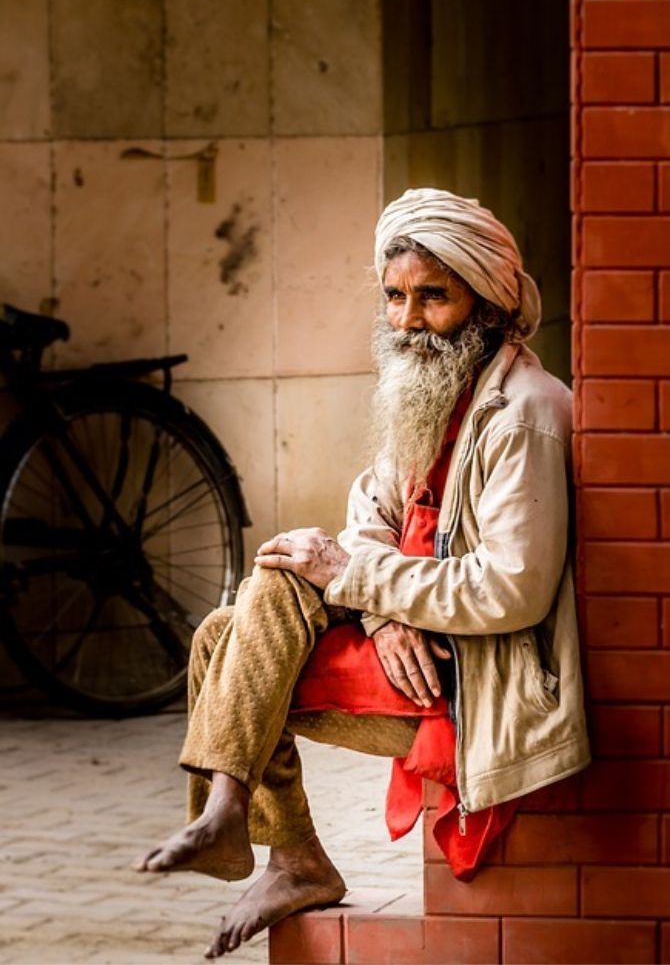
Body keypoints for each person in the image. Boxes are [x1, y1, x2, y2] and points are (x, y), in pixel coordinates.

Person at [134, 188, 590, 958]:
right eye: (394, 297)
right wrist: (381, 612)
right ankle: (271, 839)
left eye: (432, 297)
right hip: (414, 651)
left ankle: (248, 821)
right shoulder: (431, 394)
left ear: (488, 301)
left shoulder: (524, 413)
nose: (408, 320)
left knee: (251, 616)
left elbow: (512, 588)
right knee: (240, 621)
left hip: (477, 677)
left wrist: (352, 577)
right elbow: (369, 520)